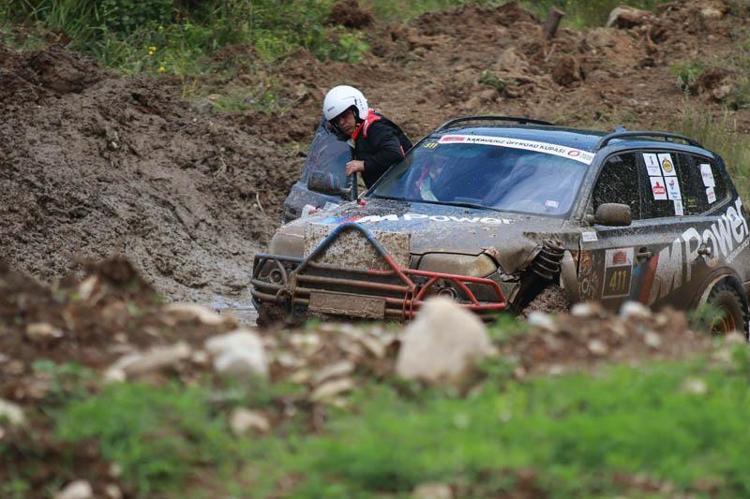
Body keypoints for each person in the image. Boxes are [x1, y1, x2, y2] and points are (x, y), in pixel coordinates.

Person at [322, 85, 412, 189]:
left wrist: (363, 165)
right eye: (337, 120)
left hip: (405, 187)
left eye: (345, 115)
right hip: (386, 189)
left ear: (357, 110)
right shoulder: (355, 132)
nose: (342, 123)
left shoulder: (376, 127)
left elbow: (394, 153)